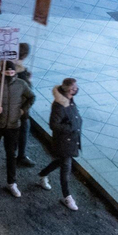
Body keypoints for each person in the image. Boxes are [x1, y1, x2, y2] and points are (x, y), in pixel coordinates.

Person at [0, 62, 34, 196]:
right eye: (7, 73)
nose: (10, 75)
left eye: (12, 73)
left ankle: (11, 183)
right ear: (2, 72)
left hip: (13, 125)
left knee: (11, 154)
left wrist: (22, 111)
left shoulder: (21, 84)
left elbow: (31, 97)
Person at [38, 77, 82, 211]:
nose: (76, 89)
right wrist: (71, 129)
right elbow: (53, 125)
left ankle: (42, 175)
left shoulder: (70, 100)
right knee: (66, 167)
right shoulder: (59, 105)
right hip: (64, 141)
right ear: (68, 89)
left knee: (61, 162)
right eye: (74, 87)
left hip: (71, 140)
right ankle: (66, 196)